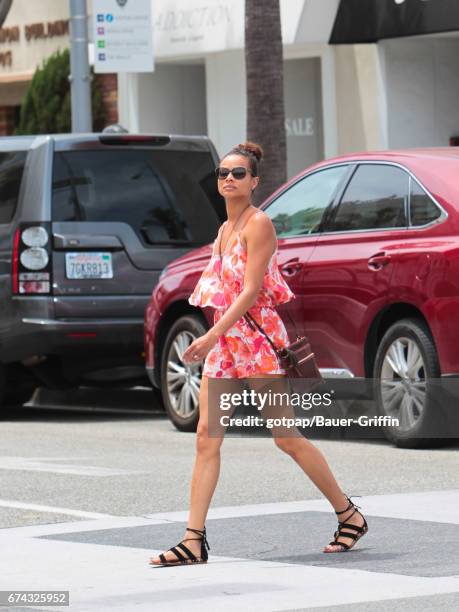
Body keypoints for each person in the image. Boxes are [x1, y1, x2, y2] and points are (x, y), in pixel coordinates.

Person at [149, 141, 368, 566]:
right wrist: (216, 338)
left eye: (237, 174)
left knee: (285, 437)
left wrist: (211, 336)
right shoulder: (224, 230)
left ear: (254, 182)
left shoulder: (258, 224)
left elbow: (251, 292)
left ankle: (349, 514)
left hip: (256, 342)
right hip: (227, 344)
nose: (228, 179)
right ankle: (193, 540)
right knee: (205, 438)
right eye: (222, 174)